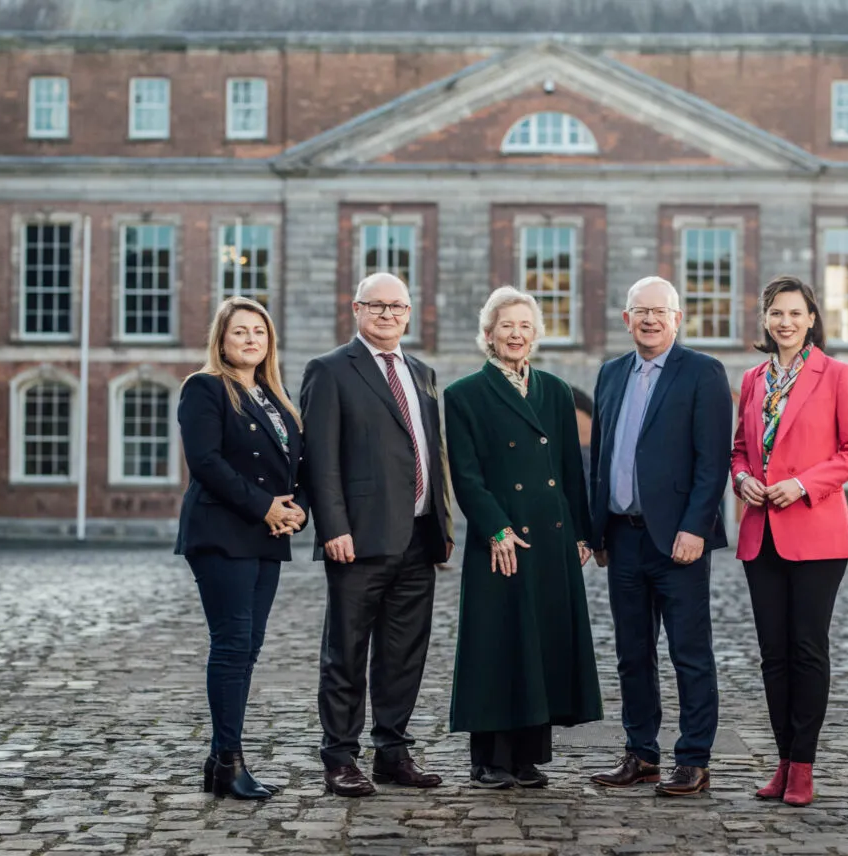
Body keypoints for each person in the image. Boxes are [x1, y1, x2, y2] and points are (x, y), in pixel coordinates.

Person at [300, 272, 454, 797]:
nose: (388, 314)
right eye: (377, 305)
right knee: (346, 650)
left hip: (418, 535)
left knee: (404, 651)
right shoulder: (329, 370)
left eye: (398, 306)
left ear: (410, 313)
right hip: (359, 538)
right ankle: (339, 756)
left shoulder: (422, 372)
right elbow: (319, 459)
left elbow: (432, 454)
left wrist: (443, 523)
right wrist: (333, 528)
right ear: (356, 309)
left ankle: (393, 751)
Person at [443, 286, 602, 789]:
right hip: (502, 537)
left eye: (525, 326)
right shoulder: (464, 394)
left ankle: (527, 756)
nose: (516, 334)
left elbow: (569, 471)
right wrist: (497, 530)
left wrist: (581, 531)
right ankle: (489, 759)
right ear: (488, 335)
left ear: (536, 334)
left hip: (551, 538)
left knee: (541, 643)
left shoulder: (554, 391)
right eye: (506, 326)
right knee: (498, 644)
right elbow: (466, 477)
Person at [588, 276, 732, 797]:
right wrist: (596, 530)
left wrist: (697, 526)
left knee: (689, 652)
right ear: (626, 319)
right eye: (639, 311)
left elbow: (712, 461)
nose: (649, 320)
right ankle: (641, 753)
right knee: (632, 651)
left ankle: (693, 758)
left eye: (659, 312)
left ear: (677, 319)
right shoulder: (609, 374)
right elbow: (600, 458)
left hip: (678, 541)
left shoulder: (702, 373)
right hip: (622, 538)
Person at [730, 275, 848, 808]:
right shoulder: (751, 379)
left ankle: (805, 768)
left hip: (816, 532)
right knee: (773, 655)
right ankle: (783, 760)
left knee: (807, 649)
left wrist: (804, 484)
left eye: (795, 313)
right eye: (776, 313)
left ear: (812, 318)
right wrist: (741, 478)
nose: (785, 322)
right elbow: (740, 449)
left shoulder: (836, 375)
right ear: (765, 320)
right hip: (760, 532)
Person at [175, 295, 307, 800]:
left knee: (247, 649)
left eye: (259, 332)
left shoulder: (276, 397)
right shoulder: (204, 388)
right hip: (221, 531)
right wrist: (264, 507)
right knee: (232, 646)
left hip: (265, 535)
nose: (251, 340)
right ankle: (229, 762)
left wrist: (298, 510)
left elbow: (297, 464)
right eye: (240, 332)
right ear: (222, 341)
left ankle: (219, 761)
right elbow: (206, 462)